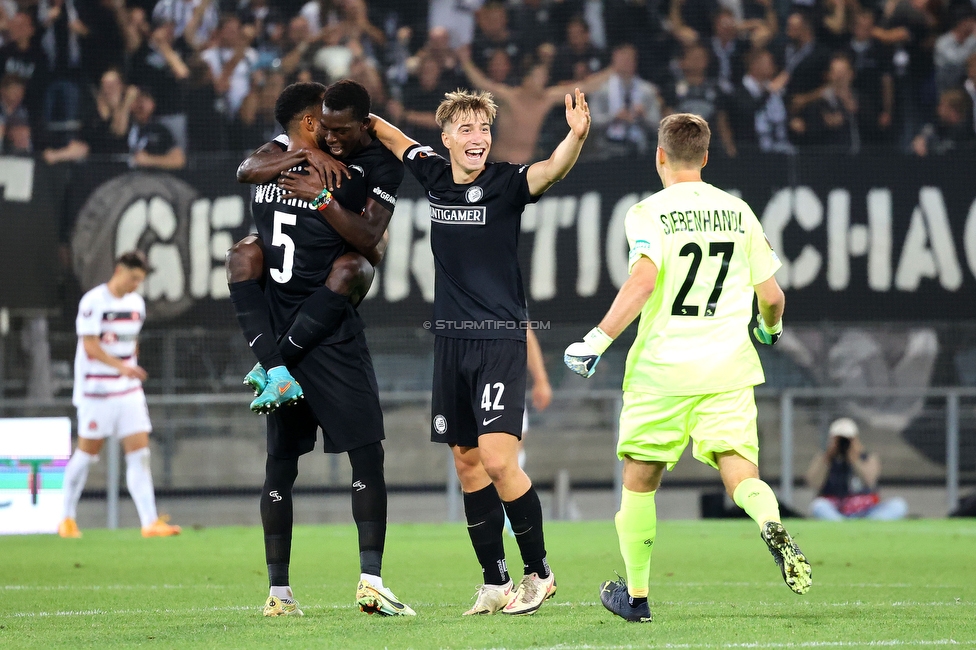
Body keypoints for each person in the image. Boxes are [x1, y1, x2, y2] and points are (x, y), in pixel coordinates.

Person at [564, 113, 812, 624]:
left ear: (660, 157)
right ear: (704, 157)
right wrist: (769, 331)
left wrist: (597, 339)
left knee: (640, 480)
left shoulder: (647, 212)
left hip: (662, 372)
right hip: (727, 369)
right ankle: (769, 521)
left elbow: (644, 282)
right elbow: (772, 295)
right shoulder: (738, 212)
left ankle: (635, 598)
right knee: (740, 469)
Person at [365, 84, 591, 616]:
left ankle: (539, 573)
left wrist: (575, 137)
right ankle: (495, 582)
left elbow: (552, 168)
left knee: (496, 458)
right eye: (466, 129)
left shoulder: (507, 183)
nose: (478, 137)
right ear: (445, 138)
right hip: (450, 343)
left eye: (484, 129)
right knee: (467, 465)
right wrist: (349, 115)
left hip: (498, 341)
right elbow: (392, 137)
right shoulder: (433, 175)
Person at [229, 80, 413, 618]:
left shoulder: (293, 161)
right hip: (329, 335)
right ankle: (349, 583)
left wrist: (316, 186)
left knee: (282, 468)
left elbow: (248, 170)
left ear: (360, 124)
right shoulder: (318, 165)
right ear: (310, 122)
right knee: (360, 457)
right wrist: (315, 171)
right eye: (322, 128)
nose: (330, 138)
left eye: (338, 130)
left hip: (285, 329)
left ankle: (284, 593)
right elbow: (365, 244)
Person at [59, 251, 181, 539]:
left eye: (140, 280)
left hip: (128, 391)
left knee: (140, 454)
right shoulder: (93, 302)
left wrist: (130, 365)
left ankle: (149, 522)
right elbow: (90, 346)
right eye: (133, 278)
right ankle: (66, 518)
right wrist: (122, 368)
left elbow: (131, 341)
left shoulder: (137, 304)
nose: (136, 285)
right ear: (118, 271)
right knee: (87, 454)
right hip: (96, 390)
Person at [806, 418, 909, 521]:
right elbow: (814, 483)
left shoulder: (868, 458)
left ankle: (868, 524)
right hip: (837, 511)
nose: (844, 443)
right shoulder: (824, 458)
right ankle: (841, 525)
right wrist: (828, 457)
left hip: (867, 512)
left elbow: (869, 481)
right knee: (818, 505)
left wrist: (854, 458)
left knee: (899, 505)